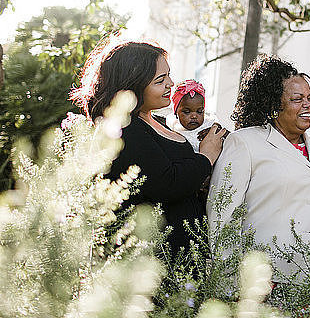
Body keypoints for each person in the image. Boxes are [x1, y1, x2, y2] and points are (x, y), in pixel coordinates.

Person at [70, 41, 227, 255]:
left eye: (168, 75)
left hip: (183, 260)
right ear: (133, 86)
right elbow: (166, 183)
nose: (171, 84)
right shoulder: (125, 129)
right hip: (151, 263)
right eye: (160, 80)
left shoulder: (159, 122)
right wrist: (205, 157)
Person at [207, 55, 310, 280]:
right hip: (265, 281)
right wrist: (232, 283)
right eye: (297, 99)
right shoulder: (244, 143)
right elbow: (222, 218)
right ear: (273, 105)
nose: (308, 105)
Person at [165, 79, 218, 153]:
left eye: (199, 111)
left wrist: (218, 133)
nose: (194, 116)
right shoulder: (172, 127)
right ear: (176, 112)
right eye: (187, 112)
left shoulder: (209, 126)